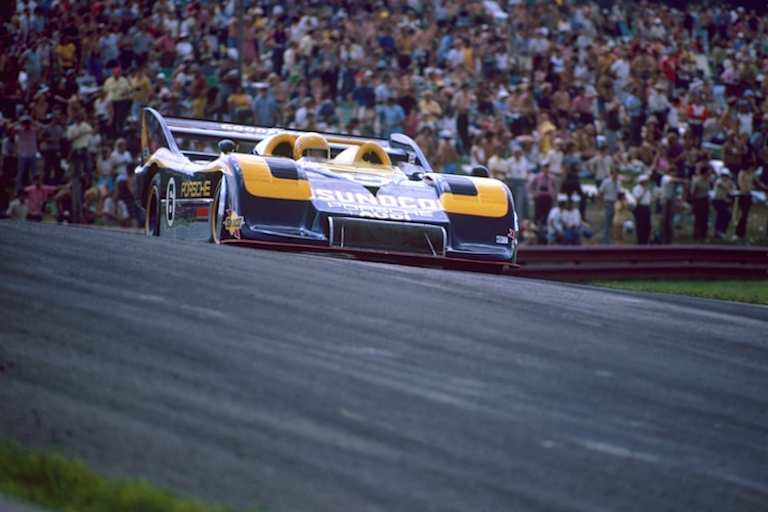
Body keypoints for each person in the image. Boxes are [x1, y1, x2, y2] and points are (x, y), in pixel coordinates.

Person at [528, 163, 557, 241]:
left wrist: (554, 195)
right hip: (539, 198)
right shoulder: (537, 177)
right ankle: (536, 230)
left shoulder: (552, 178)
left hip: (548, 198)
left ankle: (546, 231)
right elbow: (530, 186)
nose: (546, 170)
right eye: (545, 168)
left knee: (547, 214)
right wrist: (534, 193)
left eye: (547, 168)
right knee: (538, 215)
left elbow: (555, 187)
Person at [14, 116, 39, 194]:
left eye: (27, 123)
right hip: (22, 155)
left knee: (35, 174)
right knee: (21, 174)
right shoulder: (19, 130)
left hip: (32, 155)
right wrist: (19, 122)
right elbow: (10, 127)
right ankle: (18, 190)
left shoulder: (33, 130)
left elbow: (43, 127)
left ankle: (35, 190)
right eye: (25, 123)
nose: (26, 125)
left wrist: (33, 122)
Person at [597, 168, 621, 244]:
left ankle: (612, 238)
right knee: (607, 222)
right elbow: (600, 192)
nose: (616, 176)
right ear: (611, 174)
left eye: (617, 174)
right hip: (608, 202)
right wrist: (600, 203)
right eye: (614, 174)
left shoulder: (618, 182)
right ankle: (606, 240)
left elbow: (619, 193)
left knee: (614, 222)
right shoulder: (606, 182)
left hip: (616, 203)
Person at [712, 170, 735, 239]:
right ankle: (719, 231)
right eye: (723, 176)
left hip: (723, 201)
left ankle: (721, 231)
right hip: (717, 200)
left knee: (724, 215)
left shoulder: (728, 182)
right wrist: (730, 184)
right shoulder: (719, 182)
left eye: (726, 176)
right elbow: (727, 188)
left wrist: (731, 184)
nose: (725, 178)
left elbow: (733, 189)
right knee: (725, 214)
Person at [690, 166, 711, 241]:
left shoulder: (708, 180)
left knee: (705, 218)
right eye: (708, 172)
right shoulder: (697, 181)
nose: (709, 174)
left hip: (706, 199)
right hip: (698, 200)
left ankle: (704, 234)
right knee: (698, 218)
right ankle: (696, 235)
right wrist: (693, 203)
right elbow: (692, 193)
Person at [735, 166, 755, 241]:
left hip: (749, 195)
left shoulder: (751, 174)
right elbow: (740, 183)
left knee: (745, 214)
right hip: (743, 195)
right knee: (742, 214)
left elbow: (754, 182)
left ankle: (743, 232)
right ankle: (738, 231)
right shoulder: (742, 173)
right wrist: (745, 190)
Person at [632, 174, 653, 245]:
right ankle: (640, 242)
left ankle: (646, 241)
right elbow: (637, 199)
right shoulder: (636, 188)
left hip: (647, 208)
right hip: (640, 208)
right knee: (640, 225)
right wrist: (644, 192)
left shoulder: (647, 189)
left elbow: (649, 199)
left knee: (648, 226)